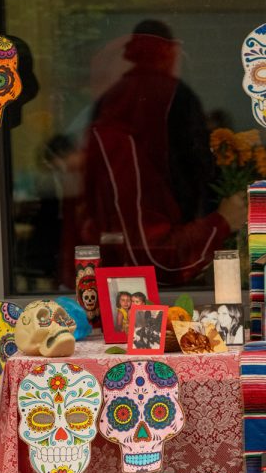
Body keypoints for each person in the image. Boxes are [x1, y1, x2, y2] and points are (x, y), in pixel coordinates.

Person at [77, 20, 246, 287]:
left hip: (109, 267)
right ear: (169, 53)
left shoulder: (112, 101)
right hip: (156, 263)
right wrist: (220, 221)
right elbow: (154, 254)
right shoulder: (171, 99)